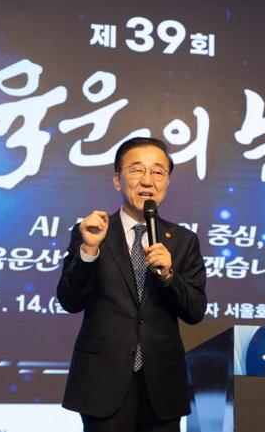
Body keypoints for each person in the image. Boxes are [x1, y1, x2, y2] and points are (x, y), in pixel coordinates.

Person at [57, 136, 207, 432]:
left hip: (162, 384)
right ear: (117, 180)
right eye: (137, 170)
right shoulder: (92, 231)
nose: (147, 180)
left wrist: (169, 276)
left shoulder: (183, 240)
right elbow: (70, 300)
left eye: (158, 172)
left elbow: (195, 311)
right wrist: (89, 251)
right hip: (102, 381)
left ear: (167, 181)